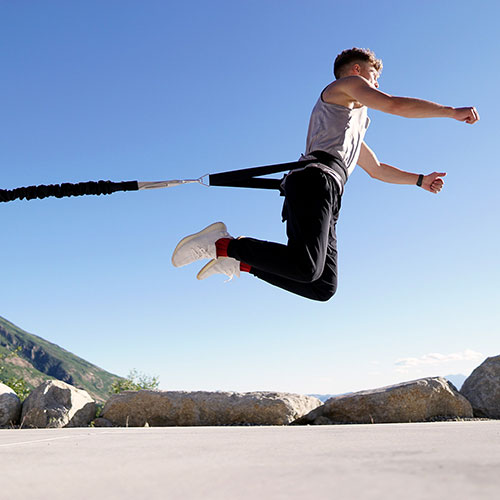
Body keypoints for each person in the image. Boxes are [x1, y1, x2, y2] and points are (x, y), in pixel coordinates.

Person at [171, 47, 479, 302]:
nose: (376, 85)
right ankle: (223, 243)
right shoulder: (343, 88)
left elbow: (377, 169)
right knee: (305, 268)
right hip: (314, 181)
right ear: (357, 71)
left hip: (328, 187)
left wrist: (420, 180)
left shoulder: (349, 126)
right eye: (375, 77)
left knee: (322, 286)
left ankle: (238, 261)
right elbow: (394, 105)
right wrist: (452, 112)